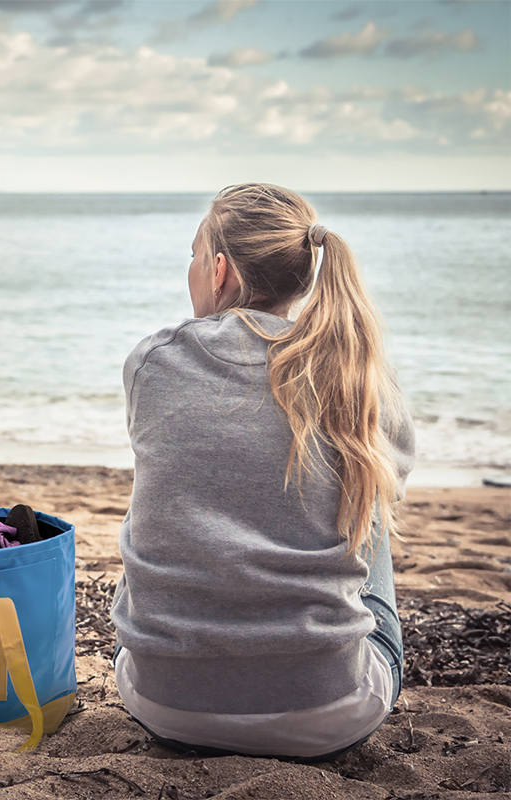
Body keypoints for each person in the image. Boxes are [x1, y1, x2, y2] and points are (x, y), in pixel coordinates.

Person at [109, 182, 415, 761]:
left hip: (163, 703)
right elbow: (389, 488)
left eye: (195, 256)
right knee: (364, 499)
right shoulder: (358, 373)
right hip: (330, 715)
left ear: (220, 270)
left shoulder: (152, 361)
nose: (193, 271)